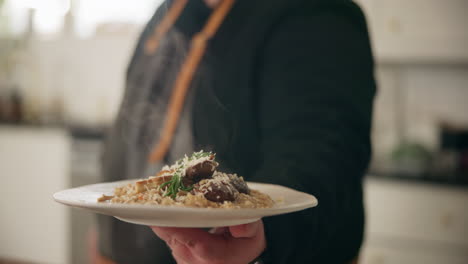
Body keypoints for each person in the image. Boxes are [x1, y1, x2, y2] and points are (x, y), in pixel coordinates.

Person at [96, 0, 376, 263]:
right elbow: (129, 131)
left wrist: (262, 232)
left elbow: (325, 155)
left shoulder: (315, 14)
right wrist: (102, 233)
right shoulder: (170, 11)